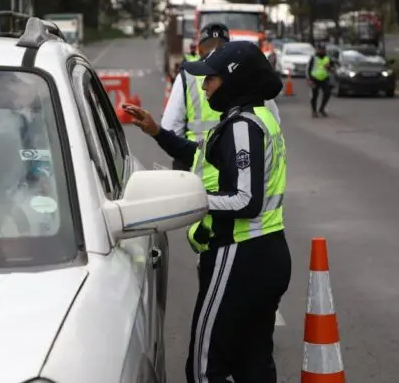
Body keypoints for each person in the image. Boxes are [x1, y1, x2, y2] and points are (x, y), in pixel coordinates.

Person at [123, 41, 292, 383]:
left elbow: (246, 201)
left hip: (240, 253)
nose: (204, 87)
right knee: (253, 364)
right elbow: (202, 155)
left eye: (211, 80)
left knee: (204, 369)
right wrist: (157, 132)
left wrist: (193, 199)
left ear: (234, 80)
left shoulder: (243, 126)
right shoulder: (251, 119)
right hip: (267, 252)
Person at [161, 23, 281, 171]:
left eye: (209, 80)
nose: (205, 85)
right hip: (245, 168)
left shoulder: (187, 77)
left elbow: (170, 127)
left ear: (199, 49)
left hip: (198, 174)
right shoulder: (249, 76)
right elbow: (273, 123)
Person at [306, 43, 333, 118]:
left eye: (323, 50)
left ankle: (321, 109)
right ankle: (314, 111)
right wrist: (309, 79)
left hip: (324, 79)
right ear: (317, 50)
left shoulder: (328, 58)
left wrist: (329, 67)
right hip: (314, 79)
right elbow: (308, 69)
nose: (321, 51)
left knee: (327, 93)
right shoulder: (313, 58)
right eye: (320, 49)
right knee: (314, 96)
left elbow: (332, 70)